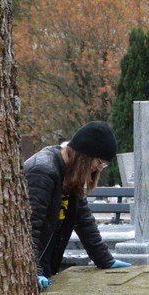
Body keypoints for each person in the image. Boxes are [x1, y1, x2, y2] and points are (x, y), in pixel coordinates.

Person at [24, 121, 131, 285]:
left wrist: (105, 260)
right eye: (99, 162)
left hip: (46, 266)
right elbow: (29, 229)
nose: (98, 169)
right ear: (86, 156)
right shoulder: (43, 172)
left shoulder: (70, 172)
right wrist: (32, 272)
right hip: (31, 269)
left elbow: (83, 221)